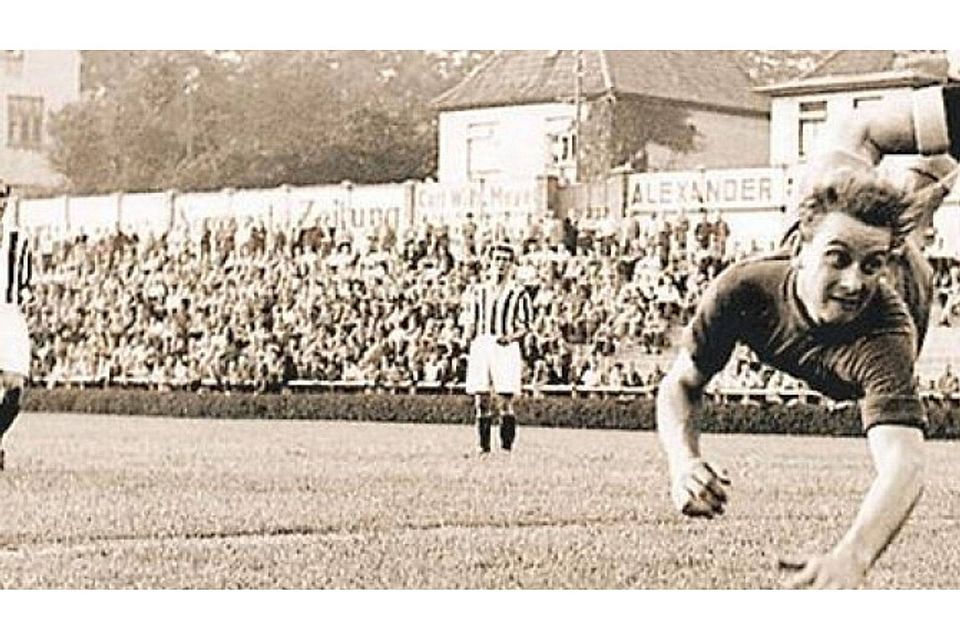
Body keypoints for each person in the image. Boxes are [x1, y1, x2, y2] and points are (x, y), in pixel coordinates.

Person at [656, 85, 960, 589]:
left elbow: (904, 463)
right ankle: (926, 169)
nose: (853, 283)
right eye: (837, 259)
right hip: (842, 219)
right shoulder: (743, 288)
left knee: (915, 209)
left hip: (910, 265)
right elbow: (681, 383)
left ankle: (932, 173)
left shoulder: (887, 331)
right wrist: (682, 462)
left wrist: (855, 555)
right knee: (855, 135)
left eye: (869, 266)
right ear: (800, 246)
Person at [462, 242, 533, 454]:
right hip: (482, 343)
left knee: (504, 399)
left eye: (505, 260)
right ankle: (483, 447)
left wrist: (510, 337)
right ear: (490, 263)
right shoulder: (478, 291)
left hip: (505, 345)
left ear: (511, 265)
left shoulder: (518, 293)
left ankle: (506, 448)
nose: (501, 264)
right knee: (481, 398)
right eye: (497, 260)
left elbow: (526, 326)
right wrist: (468, 337)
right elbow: (470, 320)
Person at [0, 182, 32, 470]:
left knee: (15, 387)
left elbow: (26, 282)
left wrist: (28, 298)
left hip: (9, 316)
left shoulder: (19, 240)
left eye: (2, 199)